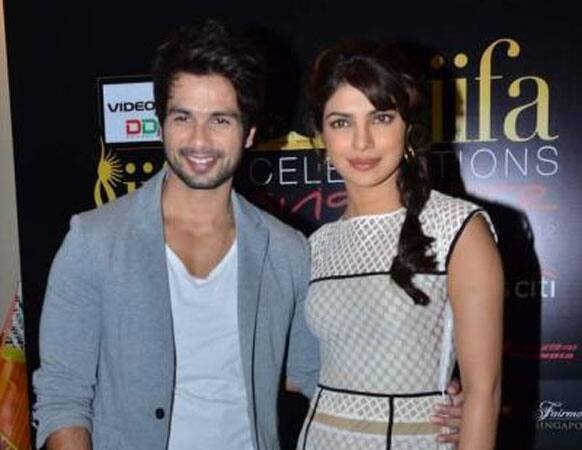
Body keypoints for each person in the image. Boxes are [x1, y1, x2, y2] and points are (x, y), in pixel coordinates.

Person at [33, 20, 464, 450]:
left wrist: (426, 398)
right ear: (161, 123)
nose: (199, 140)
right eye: (184, 117)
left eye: (220, 120)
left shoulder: (285, 249)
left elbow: (318, 373)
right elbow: (63, 396)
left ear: (250, 132)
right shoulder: (94, 240)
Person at [297, 41, 503, 450]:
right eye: (341, 122)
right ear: (320, 133)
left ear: (408, 124)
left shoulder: (459, 228)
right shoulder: (316, 245)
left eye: (382, 118)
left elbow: (485, 392)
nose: (362, 142)